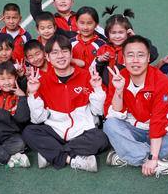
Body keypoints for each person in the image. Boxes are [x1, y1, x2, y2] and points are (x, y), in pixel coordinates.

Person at [103, 35, 168, 177]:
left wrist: (152, 157)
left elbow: (158, 120)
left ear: (148, 58)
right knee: (110, 124)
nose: (135, 60)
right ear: (124, 59)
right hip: (132, 129)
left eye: (140, 55)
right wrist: (118, 90)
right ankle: (152, 162)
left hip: (157, 131)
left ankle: (126, 155)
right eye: (130, 55)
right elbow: (114, 112)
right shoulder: (119, 77)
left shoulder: (161, 81)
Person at [22, 35, 108, 172]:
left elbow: (98, 112)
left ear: (71, 53)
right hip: (55, 131)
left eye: (64, 51)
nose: (60, 56)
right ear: (47, 57)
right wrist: (33, 94)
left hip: (82, 131)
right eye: (55, 53)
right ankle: (71, 159)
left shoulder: (87, 76)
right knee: (29, 132)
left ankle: (51, 154)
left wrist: (97, 88)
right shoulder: (41, 82)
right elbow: (38, 119)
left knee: (101, 138)